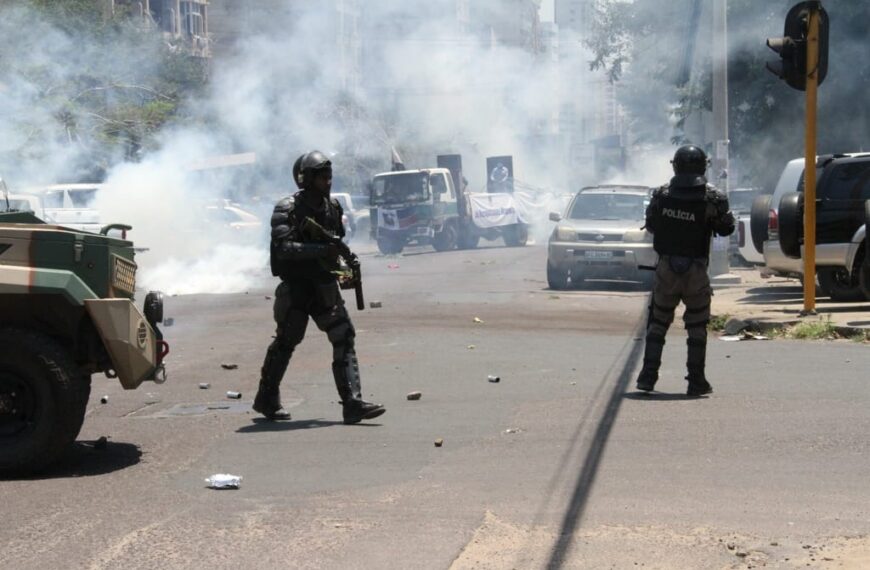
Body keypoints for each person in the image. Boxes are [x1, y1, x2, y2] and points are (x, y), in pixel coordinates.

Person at [254, 150, 386, 424]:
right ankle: (266, 397)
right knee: (287, 341)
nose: (328, 181)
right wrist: (320, 249)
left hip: (324, 286)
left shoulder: (332, 208)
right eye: (321, 176)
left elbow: (334, 248)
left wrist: (344, 270)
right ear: (306, 179)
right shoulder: (287, 208)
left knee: (344, 336)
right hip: (297, 288)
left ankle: (352, 403)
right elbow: (284, 247)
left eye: (329, 175)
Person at [636, 145, 735, 396]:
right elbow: (726, 229)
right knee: (697, 326)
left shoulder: (661, 195)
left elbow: (651, 226)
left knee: (658, 323)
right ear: (703, 166)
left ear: (676, 166)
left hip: (667, 268)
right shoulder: (713, 198)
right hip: (696, 270)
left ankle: (648, 377)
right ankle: (696, 380)